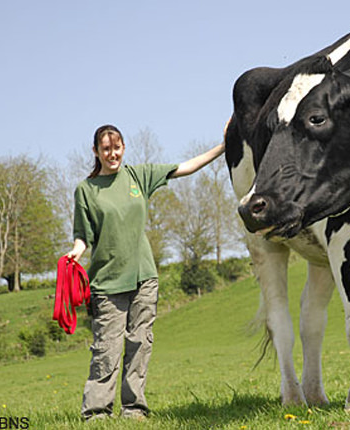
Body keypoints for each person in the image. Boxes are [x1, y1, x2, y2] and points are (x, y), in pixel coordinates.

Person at [66, 124, 224, 421]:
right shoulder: (85, 190)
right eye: (106, 149)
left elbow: (186, 167)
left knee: (140, 343)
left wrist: (223, 146)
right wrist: (75, 253)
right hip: (107, 282)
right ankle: (97, 412)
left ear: (123, 148)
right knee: (106, 349)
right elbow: (82, 235)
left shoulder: (138, 176)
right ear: (96, 152)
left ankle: (134, 409)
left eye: (117, 147)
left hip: (143, 277)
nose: (112, 154)